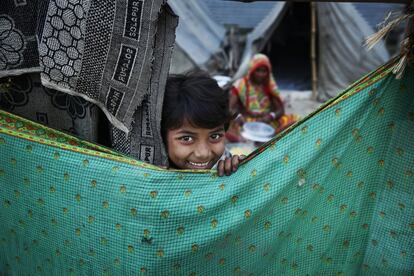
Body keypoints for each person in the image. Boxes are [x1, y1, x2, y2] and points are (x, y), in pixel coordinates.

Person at [161, 71, 244, 176]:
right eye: (187, 139)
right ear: (162, 137)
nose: (203, 154)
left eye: (215, 136)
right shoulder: (148, 174)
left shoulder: (224, 164)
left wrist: (239, 173)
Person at [227, 53, 298, 142]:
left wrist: (271, 116)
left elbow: (280, 110)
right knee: (225, 125)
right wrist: (239, 117)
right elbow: (230, 108)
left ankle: (269, 138)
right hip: (246, 121)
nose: (261, 74)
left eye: (264, 71)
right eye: (258, 70)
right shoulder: (240, 84)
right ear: (252, 70)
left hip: (267, 122)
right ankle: (255, 140)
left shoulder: (270, 85)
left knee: (295, 120)